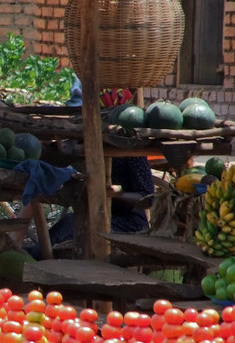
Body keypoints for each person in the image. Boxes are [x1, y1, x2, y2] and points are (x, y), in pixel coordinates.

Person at [15, 87, 155, 257]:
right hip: (93, 214)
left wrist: (109, 193)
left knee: (70, 224)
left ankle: (33, 259)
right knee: (68, 224)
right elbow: (63, 156)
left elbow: (147, 198)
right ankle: (30, 256)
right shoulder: (87, 141)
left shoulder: (132, 151)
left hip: (128, 225)